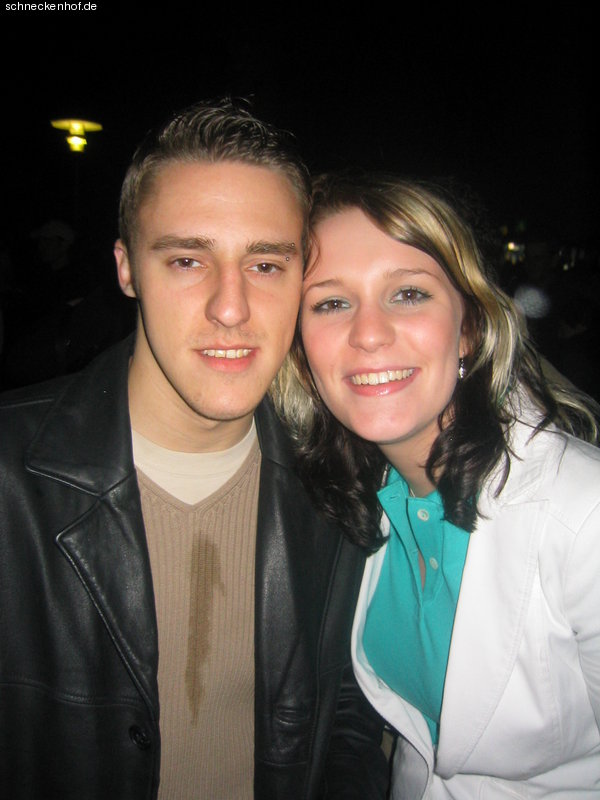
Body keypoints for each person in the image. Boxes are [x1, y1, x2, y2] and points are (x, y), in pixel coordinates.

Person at [0, 104, 387, 800]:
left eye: (265, 264)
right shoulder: (10, 483)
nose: (230, 307)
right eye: (186, 260)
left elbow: (348, 708)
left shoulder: (338, 476)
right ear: (126, 269)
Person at [274, 170, 600, 797]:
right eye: (332, 303)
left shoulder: (583, 514)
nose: (369, 333)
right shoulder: (359, 501)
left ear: (469, 326)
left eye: (408, 294)